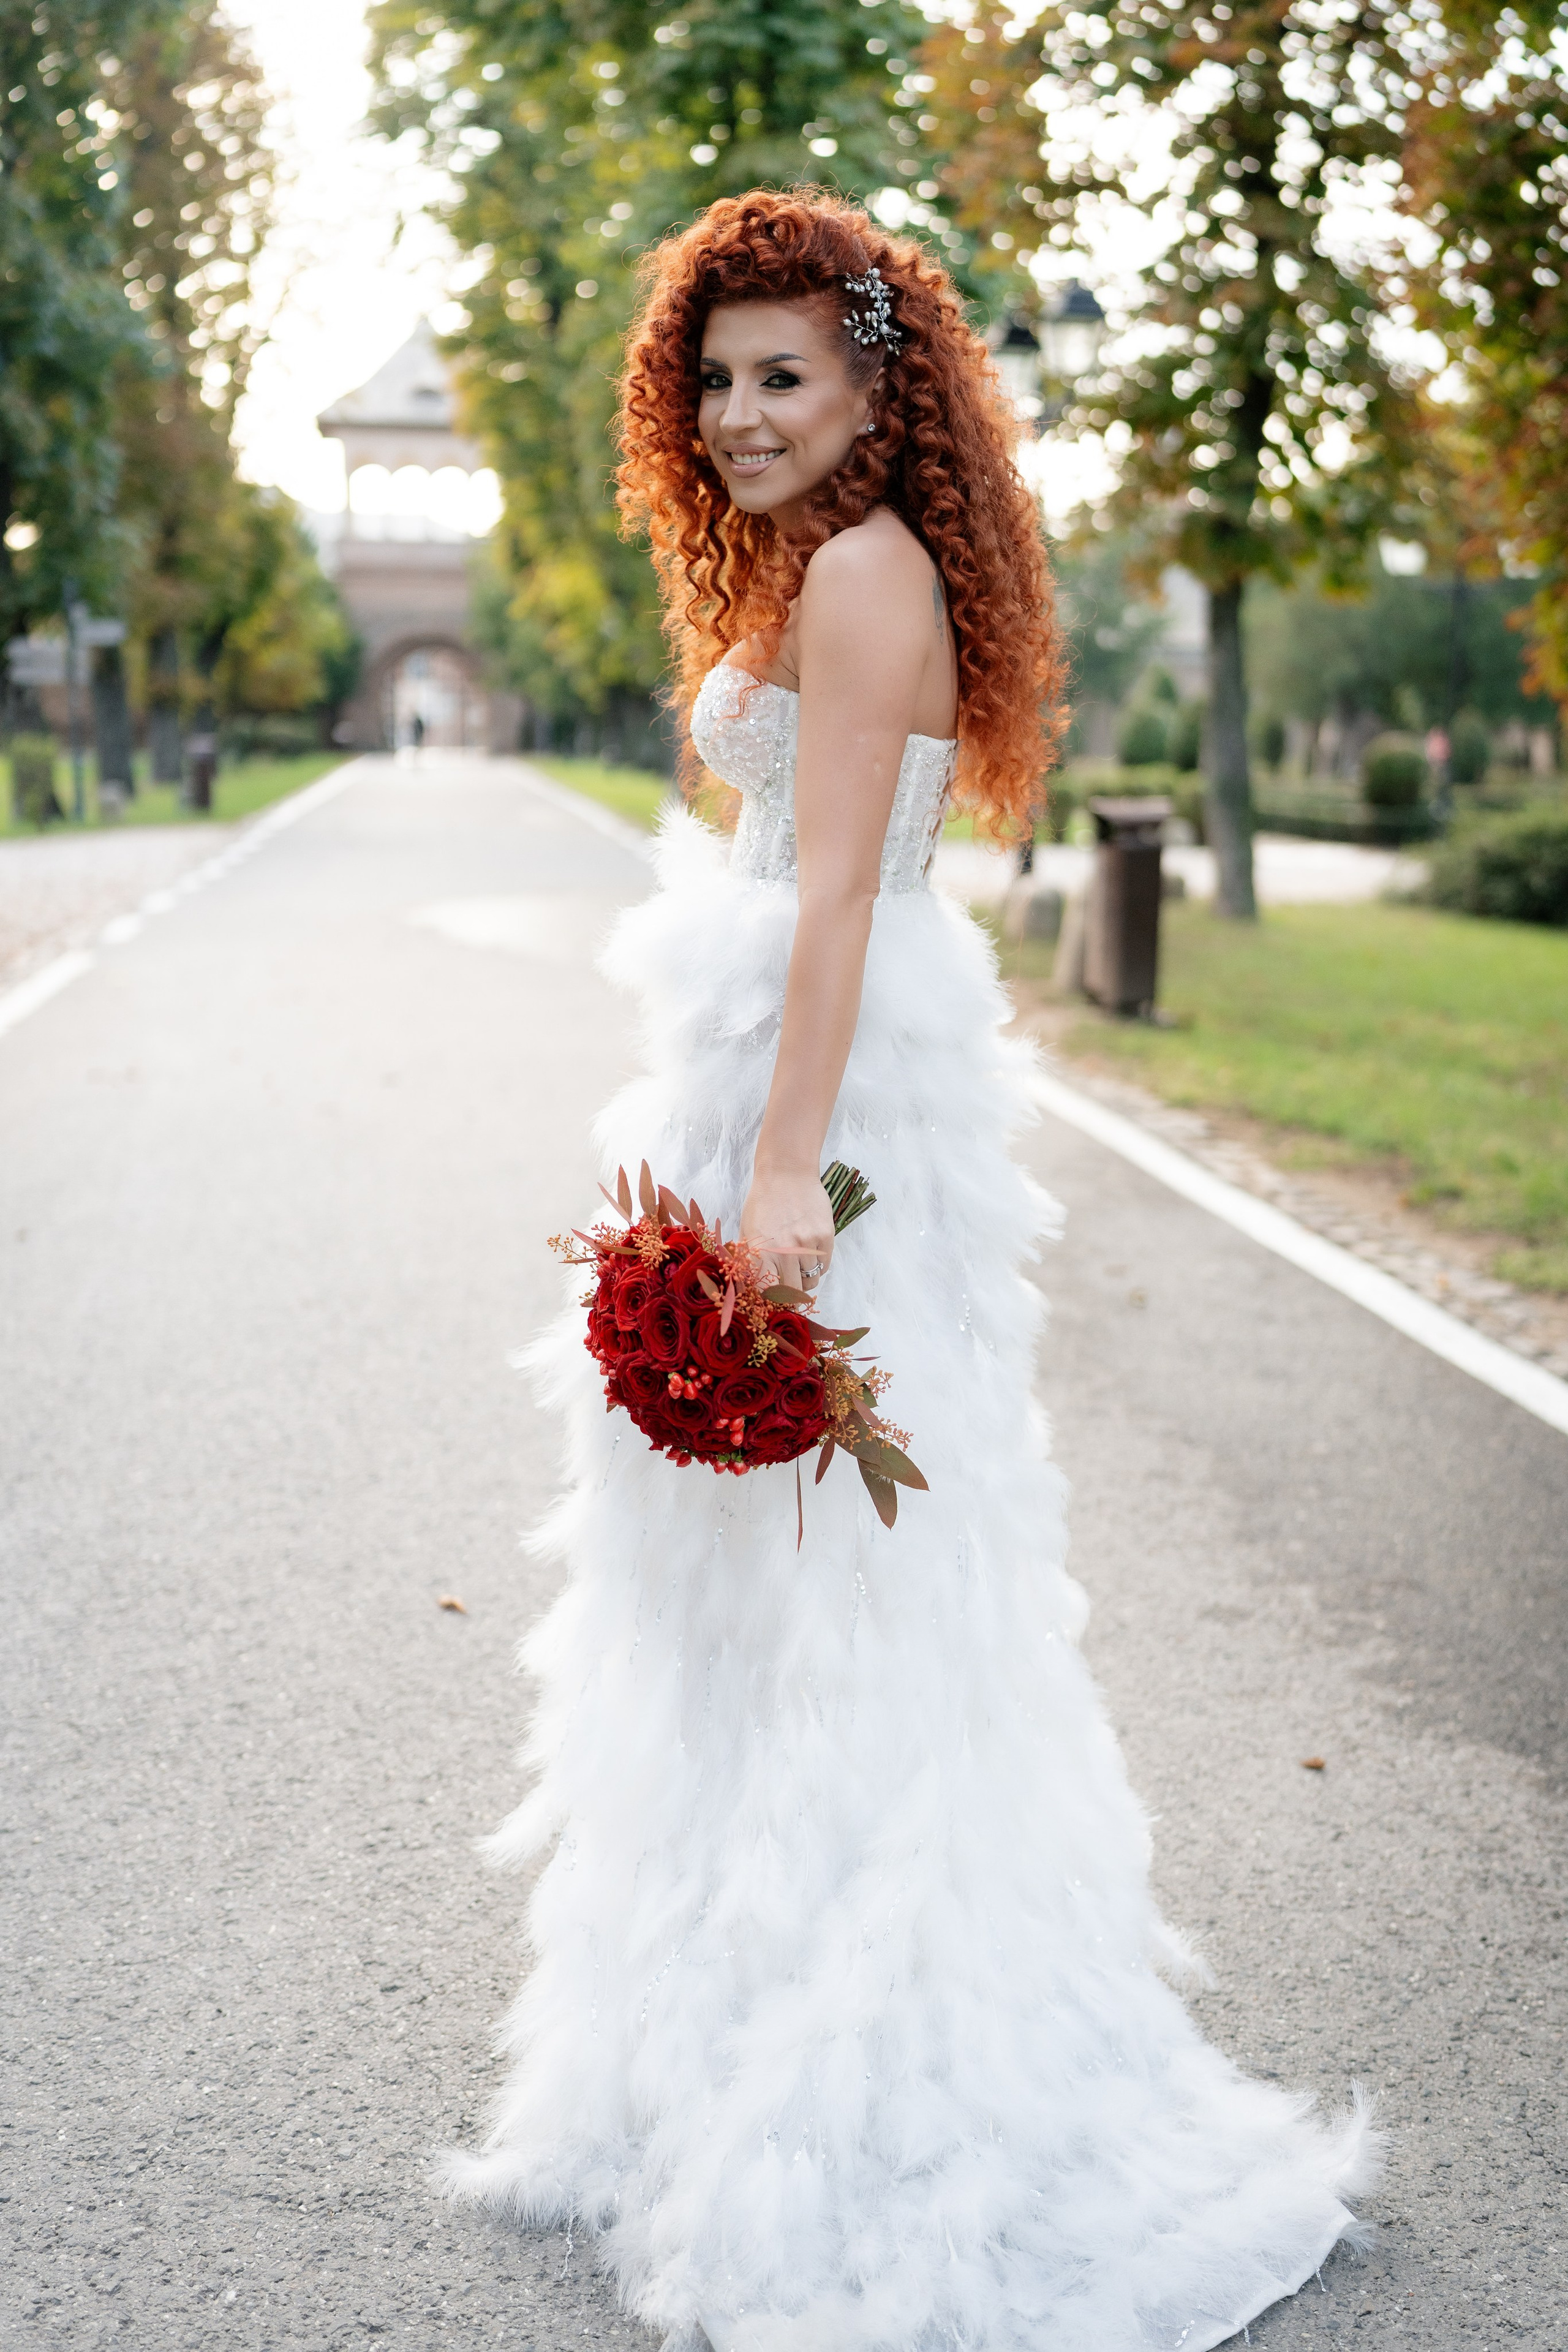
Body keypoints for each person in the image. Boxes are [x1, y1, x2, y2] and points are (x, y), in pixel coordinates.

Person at [448, 190, 1374, 2352]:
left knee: (851, 1598)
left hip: (830, 1109)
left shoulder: (866, 576)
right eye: (720, 375)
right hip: (766, 1070)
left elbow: (845, 903)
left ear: (883, 386)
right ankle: (710, 2035)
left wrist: (779, 1181)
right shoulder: (803, 559)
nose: (745, 412)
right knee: (744, 1599)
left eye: (789, 374)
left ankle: (871, 2081)